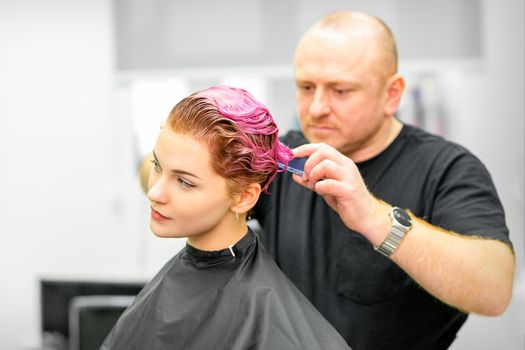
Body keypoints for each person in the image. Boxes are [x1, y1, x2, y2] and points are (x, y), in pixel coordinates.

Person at [251, 10, 515, 350]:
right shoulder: (282, 157)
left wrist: (375, 218)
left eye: (340, 90)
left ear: (392, 94)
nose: (316, 107)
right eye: (306, 87)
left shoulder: (445, 169)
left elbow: (494, 290)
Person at [102, 86, 351, 350]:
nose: (154, 192)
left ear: (244, 197)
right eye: (157, 166)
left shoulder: (267, 315)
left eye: (184, 182)